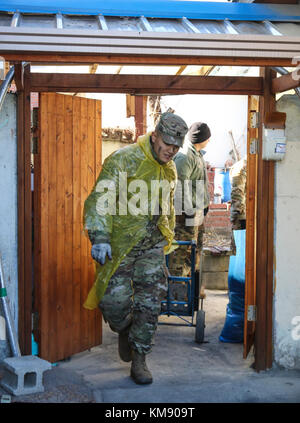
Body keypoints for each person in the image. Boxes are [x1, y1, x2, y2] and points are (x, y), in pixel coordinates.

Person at [83, 112, 188, 385]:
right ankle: (124, 329)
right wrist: (100, 236)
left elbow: (167, 205)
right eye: (167, 144)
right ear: (155, 137)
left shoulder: (170, 167)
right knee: (113, 305)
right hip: (120, 244)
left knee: (150, 303)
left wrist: (168, 234)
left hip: (151, 245)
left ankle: (140, 359)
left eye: (177, 146)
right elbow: (100, 199)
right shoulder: (124, 159)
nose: (172, 150)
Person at [168, 122, 211, 287]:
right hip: (187, 214)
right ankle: (178, 289)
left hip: (196, 212)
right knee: (181, 253)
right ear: (203, 138)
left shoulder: (197, 154)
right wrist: (188, 211)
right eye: (208, 137)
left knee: (194, 251)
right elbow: (178, 187)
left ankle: (189, 289)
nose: (209, 140)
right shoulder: (185, 156)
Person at [229, 157, 247, 230]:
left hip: (246, 212)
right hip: (241, 215)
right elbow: (237, 193)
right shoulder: (241, 167)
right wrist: (240, 217)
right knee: (239, 239)